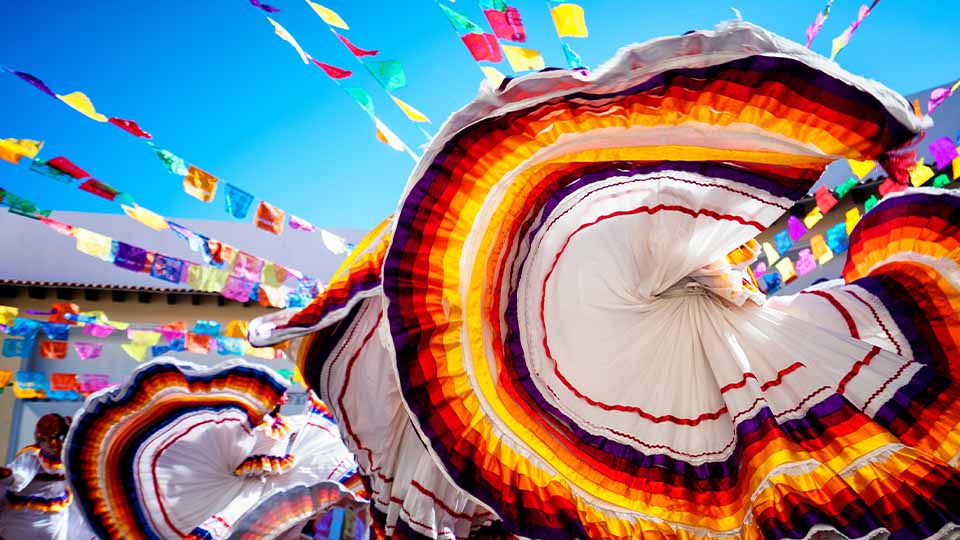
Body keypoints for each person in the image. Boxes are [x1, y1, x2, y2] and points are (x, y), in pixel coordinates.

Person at [249, 20, 960, 540]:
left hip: (645, 362)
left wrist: (870, 134)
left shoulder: (608, 273)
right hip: (641, 359)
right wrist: (875, 133)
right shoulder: (621, 263)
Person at [63, 358, 367, 540]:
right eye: (274, 408)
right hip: (242, 489)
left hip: (275, 482)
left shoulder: (299, 433)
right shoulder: (253, 433)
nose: (275, 411)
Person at [0, 414, 73, 540]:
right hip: (22, 517)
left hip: (55, 518)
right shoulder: (33, 454)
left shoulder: (74, 457)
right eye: (43, 439)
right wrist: (7, 475)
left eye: (53, 438)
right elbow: (19, 479)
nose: (48, 444)